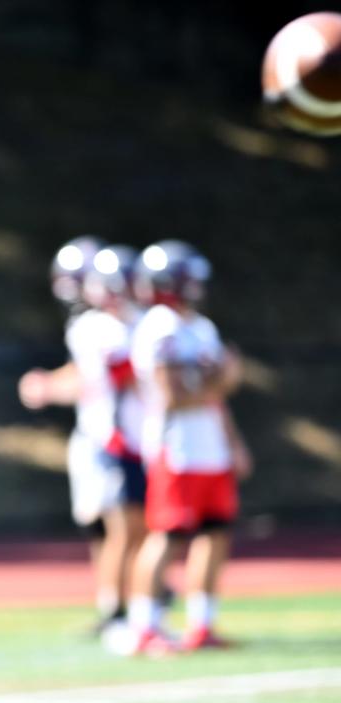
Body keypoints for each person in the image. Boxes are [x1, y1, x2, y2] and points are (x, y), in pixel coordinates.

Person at [126, 239, 250, 655]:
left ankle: (202, 623)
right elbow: (173, 397)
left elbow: (215, 397)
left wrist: (233, 443)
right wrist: (226, 379)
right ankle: (145, 627)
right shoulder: (159, 327)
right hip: (176, 449)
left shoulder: (200, 326)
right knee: (167, 535)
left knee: (215, 534)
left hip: (209, 447)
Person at [19, 237, 148, 635]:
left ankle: (138, 600)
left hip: (136, 437)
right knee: (115, 527)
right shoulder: (99, 328)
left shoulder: (136, 323)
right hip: (113, 438)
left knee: (132, 528)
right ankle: (118, 607)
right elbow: (99, 380)